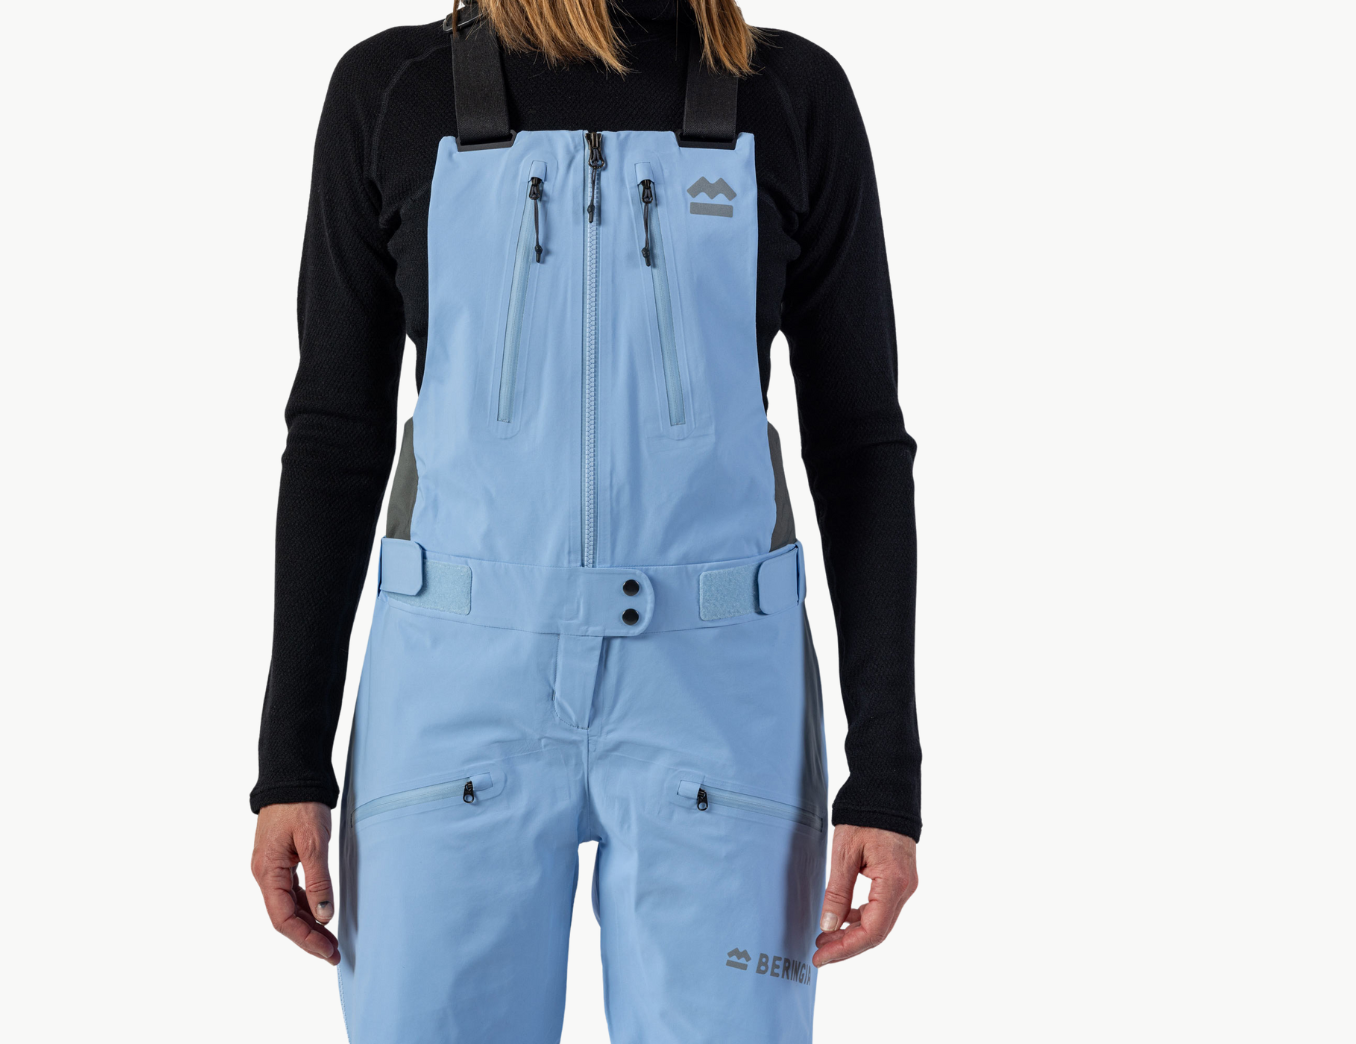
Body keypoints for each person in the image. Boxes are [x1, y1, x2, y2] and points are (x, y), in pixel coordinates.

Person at [248, 0, 920, 1039]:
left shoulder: (788, 95)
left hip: (719, 707)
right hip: (452, 699)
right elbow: (335, 438)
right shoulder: (395, 91)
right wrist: (290, 762)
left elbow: (860, 446)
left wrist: (884, 775)